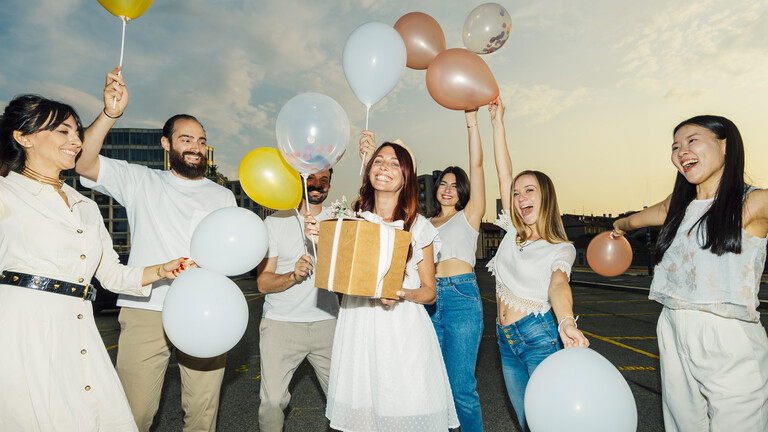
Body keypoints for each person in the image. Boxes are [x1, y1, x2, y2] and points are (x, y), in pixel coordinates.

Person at [0, 94, 191, 431]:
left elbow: (112, 275)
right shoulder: (6, 194)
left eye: (77, 132)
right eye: (63, 131)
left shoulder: (84, 206)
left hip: (79, 331)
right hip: (22, 334)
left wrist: (161, 270)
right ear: (23, 136)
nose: (76, 141)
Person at [75, 68, 237, 432]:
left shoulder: (223, 195)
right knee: (134, 413)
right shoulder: (140, 180)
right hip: (147, 306)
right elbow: (82, 161)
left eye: (201, 140)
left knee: (202, 413)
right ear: (166, 144)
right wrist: (110, 115)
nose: (195, 147)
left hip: (206, 310)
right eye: (185, 139)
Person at [611, 115, 768, 431]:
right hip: (672, 327)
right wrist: (618, 227)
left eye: (692, 140)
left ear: (725, 146)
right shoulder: (678, 206)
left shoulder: (755, 201)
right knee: (684, 425)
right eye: (675, 146)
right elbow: (637, 220)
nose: (681, 151)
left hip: (727, 333)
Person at [307, 135, 459, 431]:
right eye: (378, 161)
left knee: (403, 407)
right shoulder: (351, 220)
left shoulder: (419, 225)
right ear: (369, 170)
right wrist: (321, 240)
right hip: (359, 326)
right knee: (363, 413)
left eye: (394, 163)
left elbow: (429, 293)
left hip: (402, 331)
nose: (383, 167)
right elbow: (339, 278)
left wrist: (398, 293)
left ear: (406, 177)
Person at [487, 96, 589, 431]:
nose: (520, 198)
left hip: (539, 337)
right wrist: (497, 122)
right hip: (504, 339)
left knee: (547, 420)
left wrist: (566, 324)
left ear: (545, 195)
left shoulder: (560, 248)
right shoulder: (510, 232)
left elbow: (558, 285)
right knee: (525, 420)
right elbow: (504, 170)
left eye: (529, 190)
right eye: (516, 193)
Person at [254, 169, 339, 432]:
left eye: (324, 180)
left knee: (344, 399)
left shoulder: (340, 221)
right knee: (271, 401)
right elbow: (263, 282)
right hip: (281, 324)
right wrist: (293, 275)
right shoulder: (274, 222)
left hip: (329, 323)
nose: (318, 185)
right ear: (299, 180)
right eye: (312, 178)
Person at [423, 110, 486, 431]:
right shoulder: (423, 224)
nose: (447, 189)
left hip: (462, 298)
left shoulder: (470, 215)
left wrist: (472, 123)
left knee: (461, 388)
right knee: (434, 387)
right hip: (428, 301)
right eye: (443, 184)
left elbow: (477, 166)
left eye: (454, 185)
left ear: (463, 191)